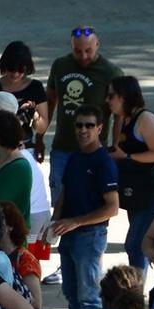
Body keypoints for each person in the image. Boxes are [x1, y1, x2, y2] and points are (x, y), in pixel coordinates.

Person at [43, 107, 122, 309]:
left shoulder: (103, 162)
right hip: (68, 234)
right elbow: (65, 193)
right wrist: (55, 222)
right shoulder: (75, 158)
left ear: (100, 128)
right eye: (79, 125)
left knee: (89, 298)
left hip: (89, 236)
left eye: (89, 125)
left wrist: (76, 222)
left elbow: (112, 207)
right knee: (72, 295)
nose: (83, 130)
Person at [45, 27, 125, 195]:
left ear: (97, 44)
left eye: (88, 50)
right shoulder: (60, 65)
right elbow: (50, 100)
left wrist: (116, 145)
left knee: (92, 199)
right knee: (60, 200)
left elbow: (120, 114)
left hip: (94, 151)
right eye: (77, 51)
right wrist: (40, 137)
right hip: (62, 148)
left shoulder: (111, 72)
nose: (83, 56)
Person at [105, 76, 154, 273]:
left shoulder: (145, 119)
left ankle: (136, 291)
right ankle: (137, 287)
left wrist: (125, 155)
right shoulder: (124, 118)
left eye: (112, 96)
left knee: (136, 244)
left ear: (124, 97)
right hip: (137, 191)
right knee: (137, 243)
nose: (107, 100)